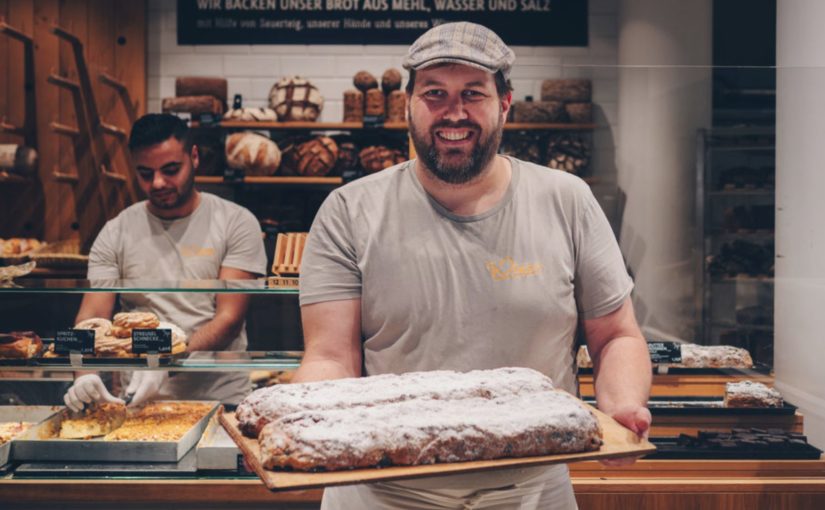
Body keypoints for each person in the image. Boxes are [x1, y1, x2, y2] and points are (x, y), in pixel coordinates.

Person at [295, 22, 652, 509]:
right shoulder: (349, 211)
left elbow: (616, 335)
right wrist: (304, 423)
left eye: (473, 93)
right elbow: (331, 355)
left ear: (505, 102)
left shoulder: (566, 201)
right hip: (382, 491)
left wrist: (622, 405)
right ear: (408, 104)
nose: (453, 113)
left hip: (531, 491)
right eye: (435, 94)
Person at [64, 113, 267, 411]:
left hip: (221, 400)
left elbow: (228, 320)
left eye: (171, 169)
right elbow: (91, 319)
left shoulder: (235, 222)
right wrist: (84, 374)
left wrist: (166, 362)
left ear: (194, 157)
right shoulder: (116, 231)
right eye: (145, 173)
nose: (158, 182)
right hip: (138, 400)